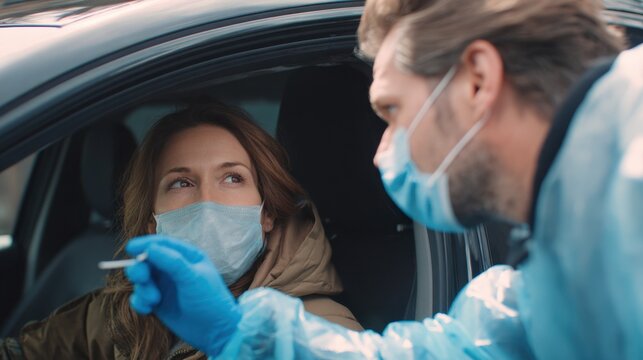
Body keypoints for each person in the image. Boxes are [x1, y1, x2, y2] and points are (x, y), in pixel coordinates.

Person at [124, 0, 643, 358]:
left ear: (478, 81)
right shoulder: (554, 272)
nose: (379, 154)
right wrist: (238, 335)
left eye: (392, 112)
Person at [0, 103, 361, 359]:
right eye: (181, 183)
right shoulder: (125, 311)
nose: (208, 201)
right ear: (150, 222)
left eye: (233, 178)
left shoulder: (317, 327)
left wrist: (232, 339)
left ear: (268, 214)